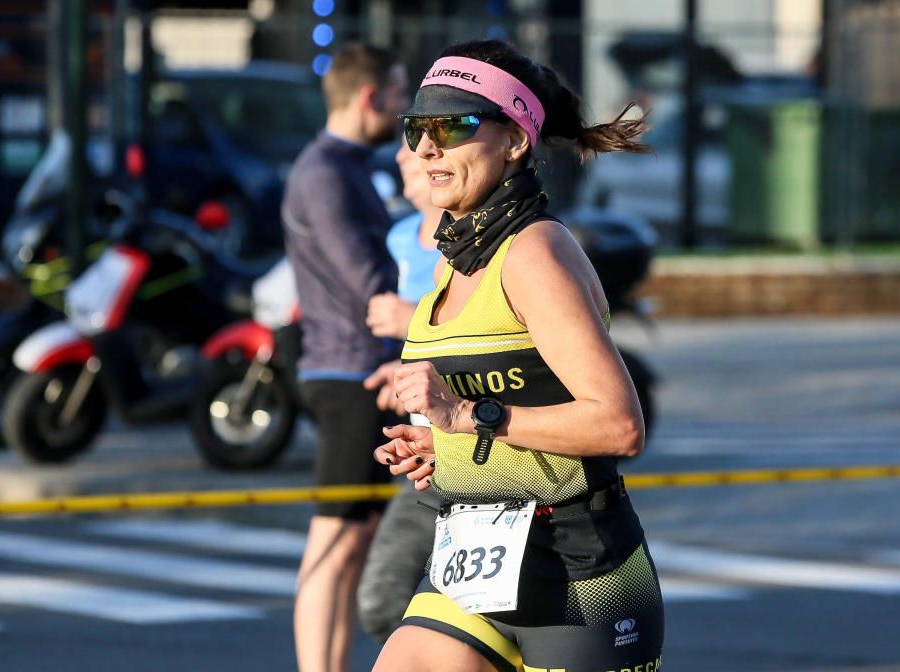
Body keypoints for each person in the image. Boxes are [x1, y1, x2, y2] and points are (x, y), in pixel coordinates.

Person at [371, 40, 664, 672]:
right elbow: (513, 401)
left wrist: (467, 419)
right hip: (471, 563)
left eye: (453, 125)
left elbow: (617, 424)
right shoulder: (454, 264)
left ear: (514, 140)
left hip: (580, 577)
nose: (427, 148)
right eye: (418, 128)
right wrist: (442, 449)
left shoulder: (534, 254)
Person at [281, 42, 409, 672]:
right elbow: (365, 276)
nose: (406, 105)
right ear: (369, 97)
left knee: (354, 537)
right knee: (333, 538)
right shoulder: (325, 173)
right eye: (398, 91)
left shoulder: (349, 165)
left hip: (361, 368)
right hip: (345, 371)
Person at [357, 139, 445, 642]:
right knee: (385, 604)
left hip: (477, 456)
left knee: (388, 600)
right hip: (414, 445)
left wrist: (410, 324)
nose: (401, 159)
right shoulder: (396, 239)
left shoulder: (491, 246)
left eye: (418, 149)